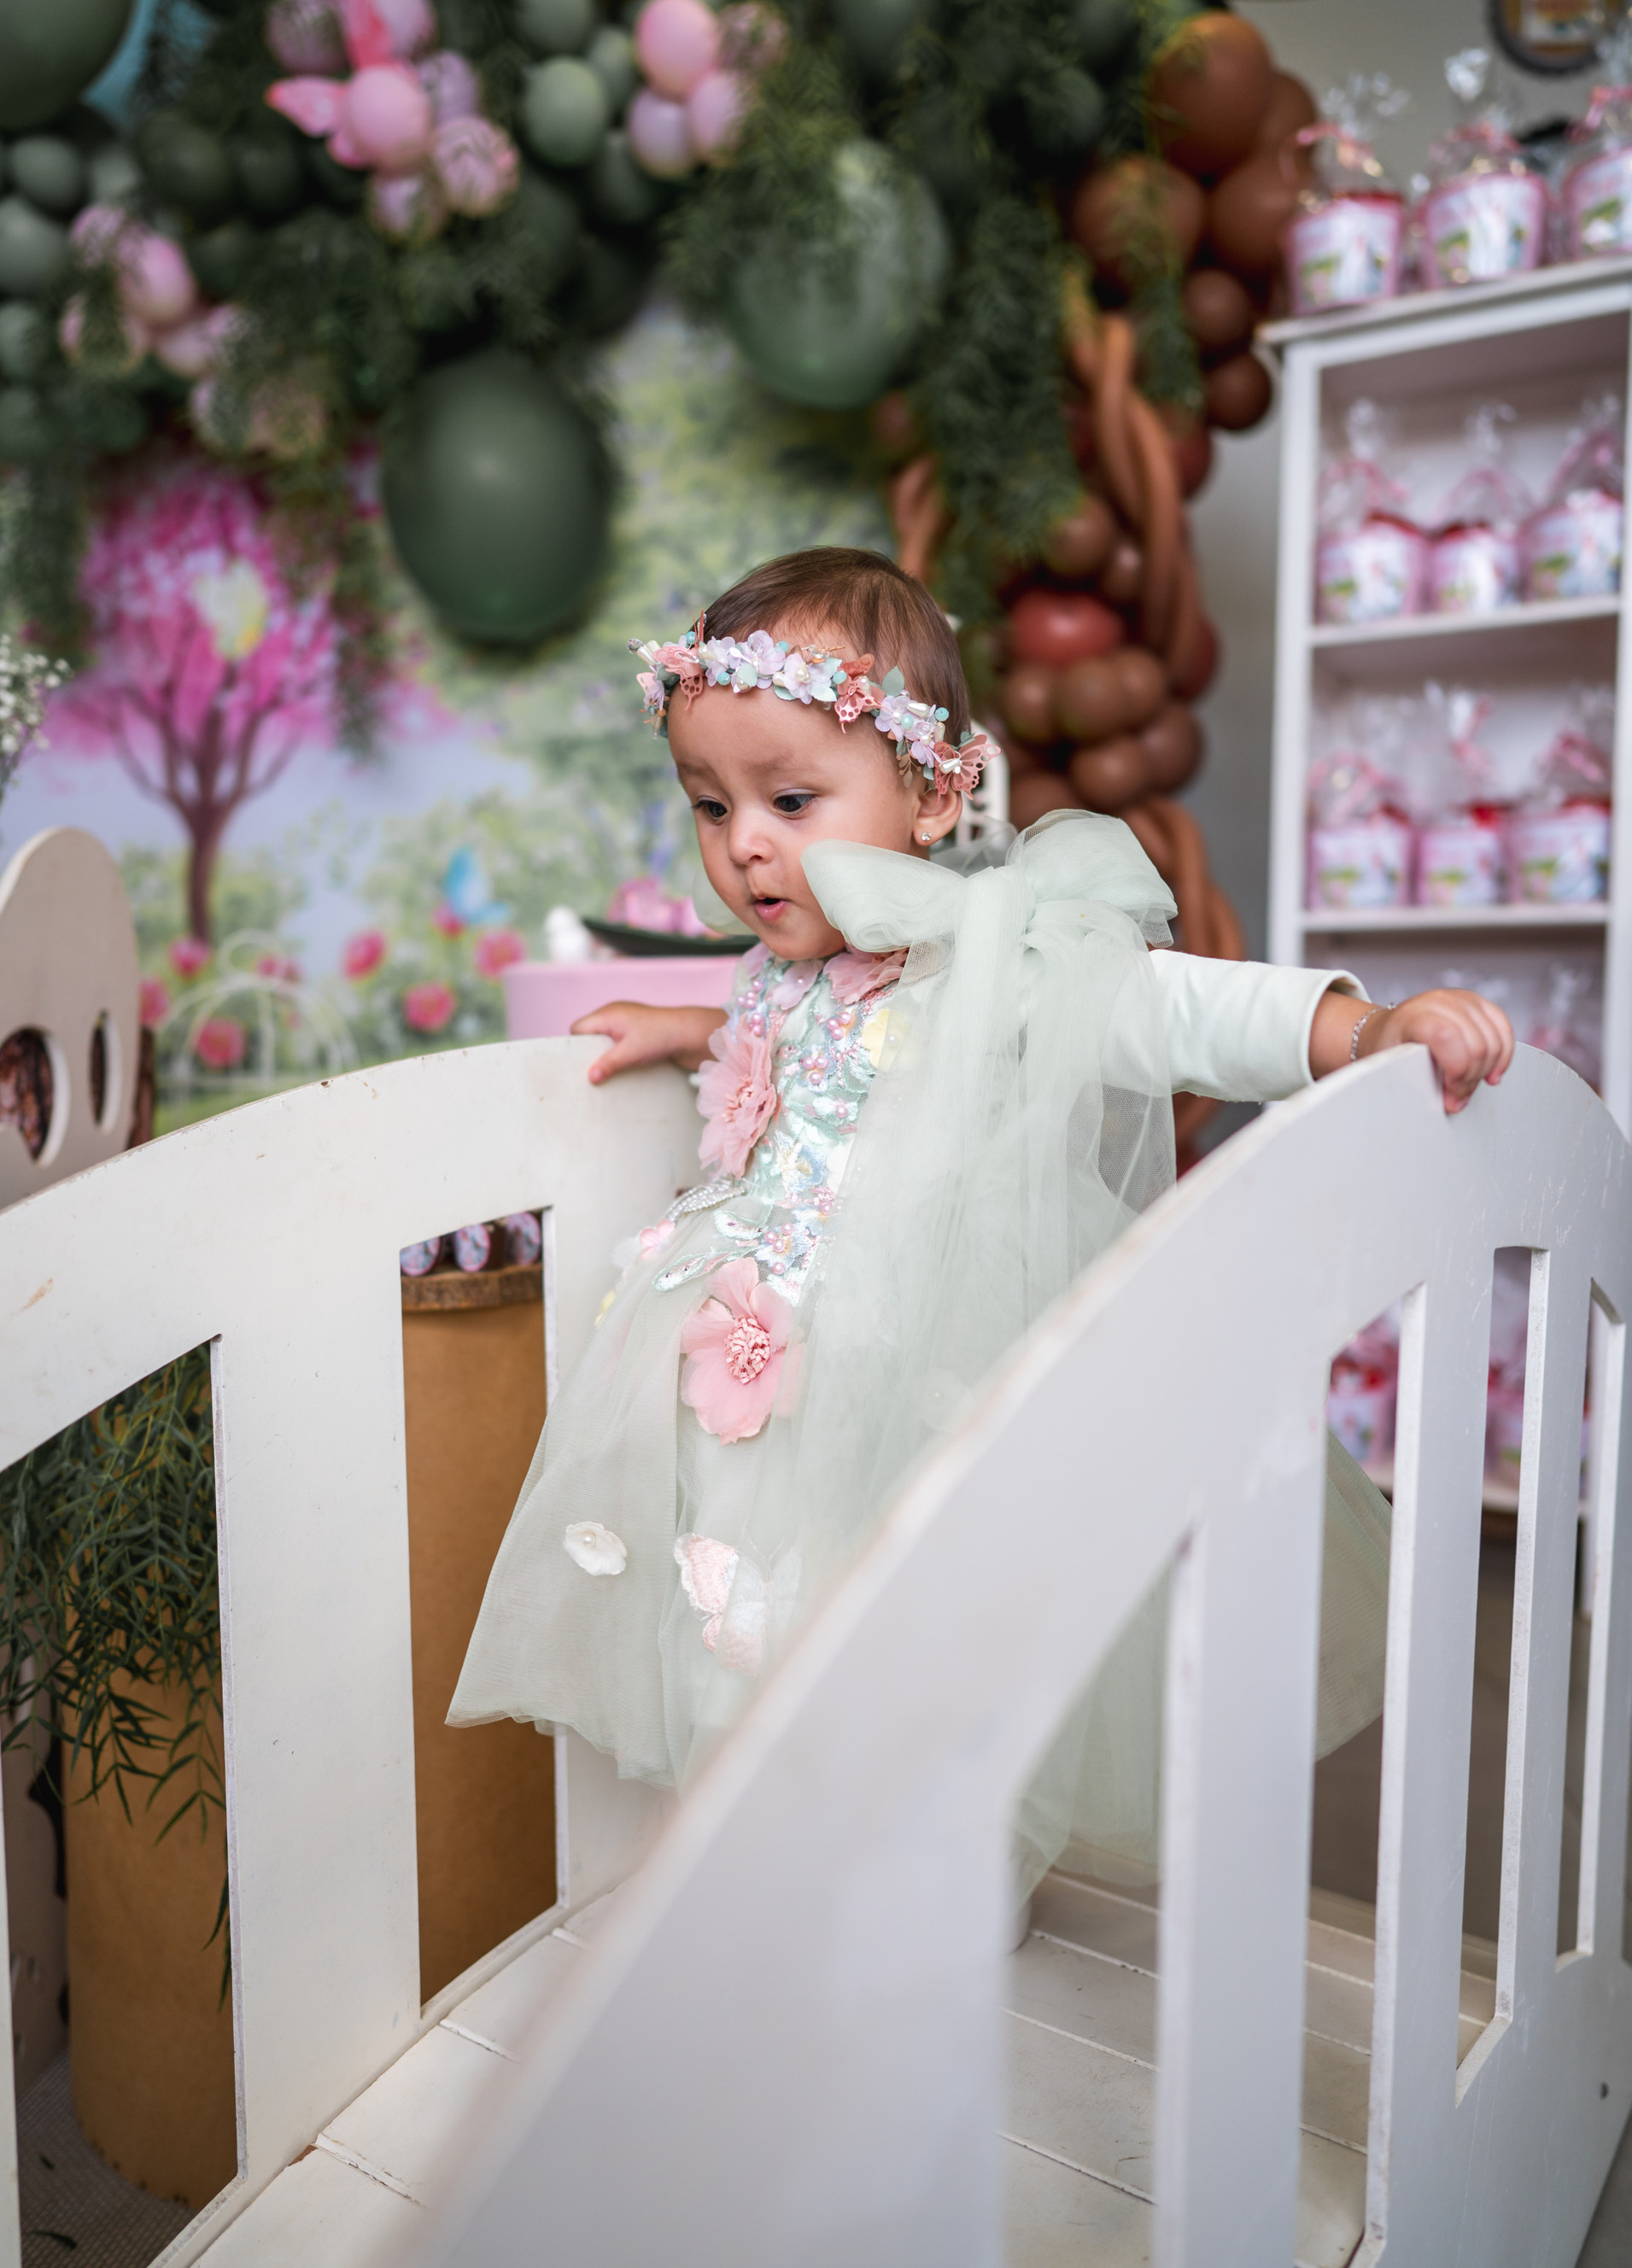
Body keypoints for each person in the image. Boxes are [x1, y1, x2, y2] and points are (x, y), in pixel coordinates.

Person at [450, 547, 1512, 1895]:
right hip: (756, 1374)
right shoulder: (779, 972)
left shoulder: (997, 955)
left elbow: (1174, 1007)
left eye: (789, 798)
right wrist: (685, 1020)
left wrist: (1360, 1027)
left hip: (916, 1370)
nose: (746, 842)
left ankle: (951, 1871)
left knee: (929, 1618)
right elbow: (773, 1020)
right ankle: (766, 1867)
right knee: (744, 1608)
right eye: (711, 805)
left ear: (934, 792)